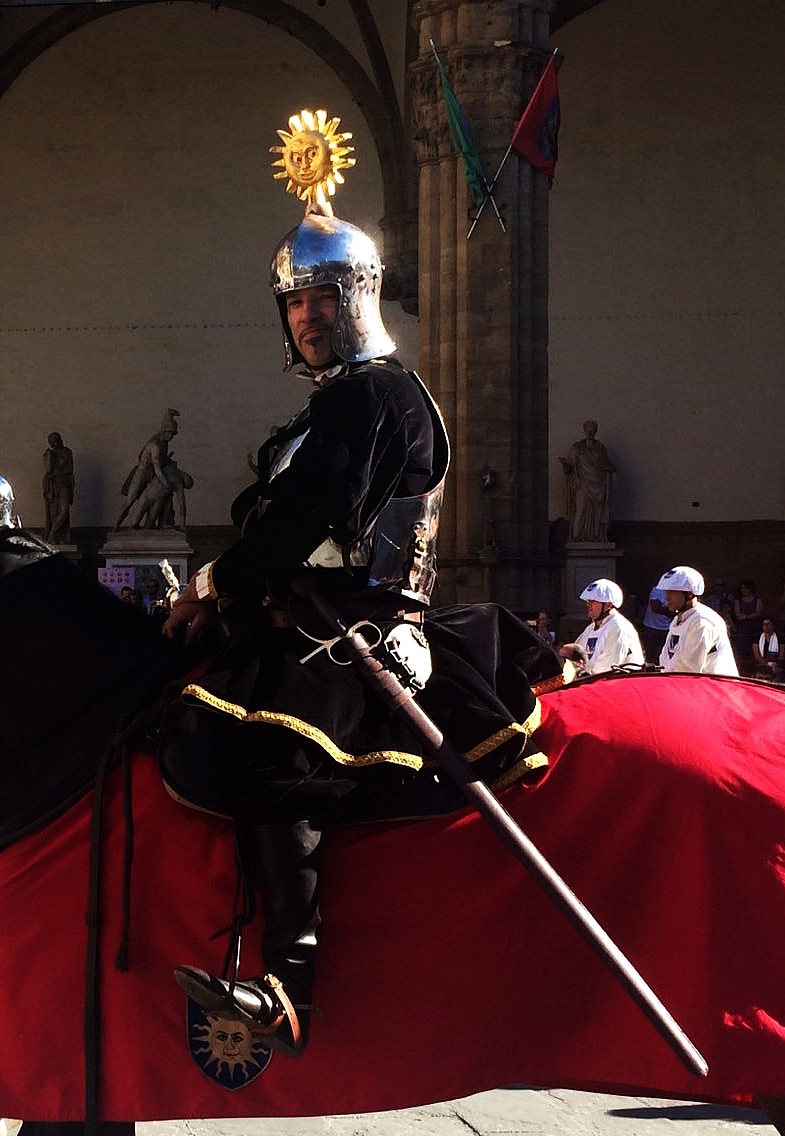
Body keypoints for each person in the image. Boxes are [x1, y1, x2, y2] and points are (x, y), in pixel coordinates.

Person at [161, 175, 557, 1057]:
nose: (305, 316)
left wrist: (213, 585)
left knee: (270, 746)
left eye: (320, 297)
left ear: (360, 295)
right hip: (307, 611)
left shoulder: (373, 397)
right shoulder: (331, 402)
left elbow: (306, 520)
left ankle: (286, 984)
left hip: (356, 626)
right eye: (293, 301)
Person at [114, 410, 193, 531]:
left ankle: (155, 524)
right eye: (169, 433)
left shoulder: (165, 444)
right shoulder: (155, 445)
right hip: (143, 472)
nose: (171, 436)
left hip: (153, 473)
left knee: (158, 497)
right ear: (163, 431)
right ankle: (116, 526)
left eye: (173, 434)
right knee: (130, 500)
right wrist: (165, 483)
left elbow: (161, 463)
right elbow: (157, 468)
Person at [656, 566, 738, 676]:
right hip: (683, 685)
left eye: (672, 592)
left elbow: (689, 670)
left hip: (713, 689)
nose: (667, 597)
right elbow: (666, 660)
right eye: (666, 592)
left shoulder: (702, 621)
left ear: (689, 594)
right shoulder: (679, 619)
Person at [557, 578, 643, 677]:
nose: (588, 604)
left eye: (593, 601)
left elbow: (607, 668)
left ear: (608, 605)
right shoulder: (590, 628)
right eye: (588, 601)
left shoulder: (618, 627)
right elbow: (577, 653)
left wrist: (582, 671)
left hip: (617, 684)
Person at [557, 419, 615, 543]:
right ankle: (576, 537)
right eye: (587, 430)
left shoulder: (600, 448)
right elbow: (569, 468)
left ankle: (595, 537)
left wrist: (610, 468)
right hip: (582, 484)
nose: (589, 432)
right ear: (584, 431)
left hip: (599, 486)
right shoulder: (577, 448)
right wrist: (564, 464)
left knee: (597, 514)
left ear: (595, 431)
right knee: (581, 509)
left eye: (592, 430)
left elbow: (606, 465)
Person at [41, 432, 74, 543]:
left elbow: (70, 470)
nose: (53, 444)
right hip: (52, 486)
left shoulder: (67, 452)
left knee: (64, 511)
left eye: (55, 441)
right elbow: (49, 471)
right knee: (53, 513)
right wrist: (49, 457)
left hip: (64, 484)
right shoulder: (49, 454)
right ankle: (56, 537)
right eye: (51, 442)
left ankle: (52, 534)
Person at [641, 583, 672, 661]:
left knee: (664, 655)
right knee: (649, 655)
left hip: (667, 628)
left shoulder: (676, 592)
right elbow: (655, 608)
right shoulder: (657, 589)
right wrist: (671, 611)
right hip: (651, 627)